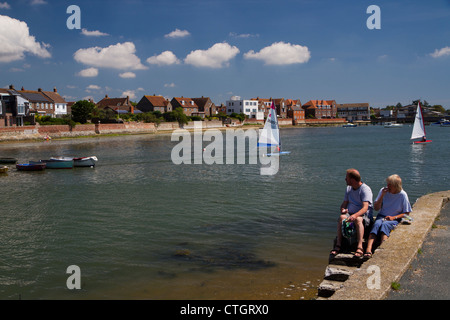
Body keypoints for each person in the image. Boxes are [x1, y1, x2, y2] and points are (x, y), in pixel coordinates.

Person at [364, 174, 412, 258]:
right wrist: (382, 195)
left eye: (390, 185)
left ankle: (383, 249)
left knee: (385, 225)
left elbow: (406, 213)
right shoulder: (383, 191)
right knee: (377, 224)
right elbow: (376, 208)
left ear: (396, 186)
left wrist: (393, 217)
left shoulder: (402, 195)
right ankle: (368, 249)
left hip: (395, 217)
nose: (388, 186)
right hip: (382, 215)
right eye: (387, 184)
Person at [330, 169, 373, 258]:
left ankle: (360, 247)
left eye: (347, 178)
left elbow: (365, 208)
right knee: (342, 217)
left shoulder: (365, 189)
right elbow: (344, 203)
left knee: (357, 219)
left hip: (363, 216)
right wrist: (343, 209)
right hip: (351, 213)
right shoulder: (348, 188)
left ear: (352, 180)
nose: (345, 179)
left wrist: (355, 215)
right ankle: (338, 245)